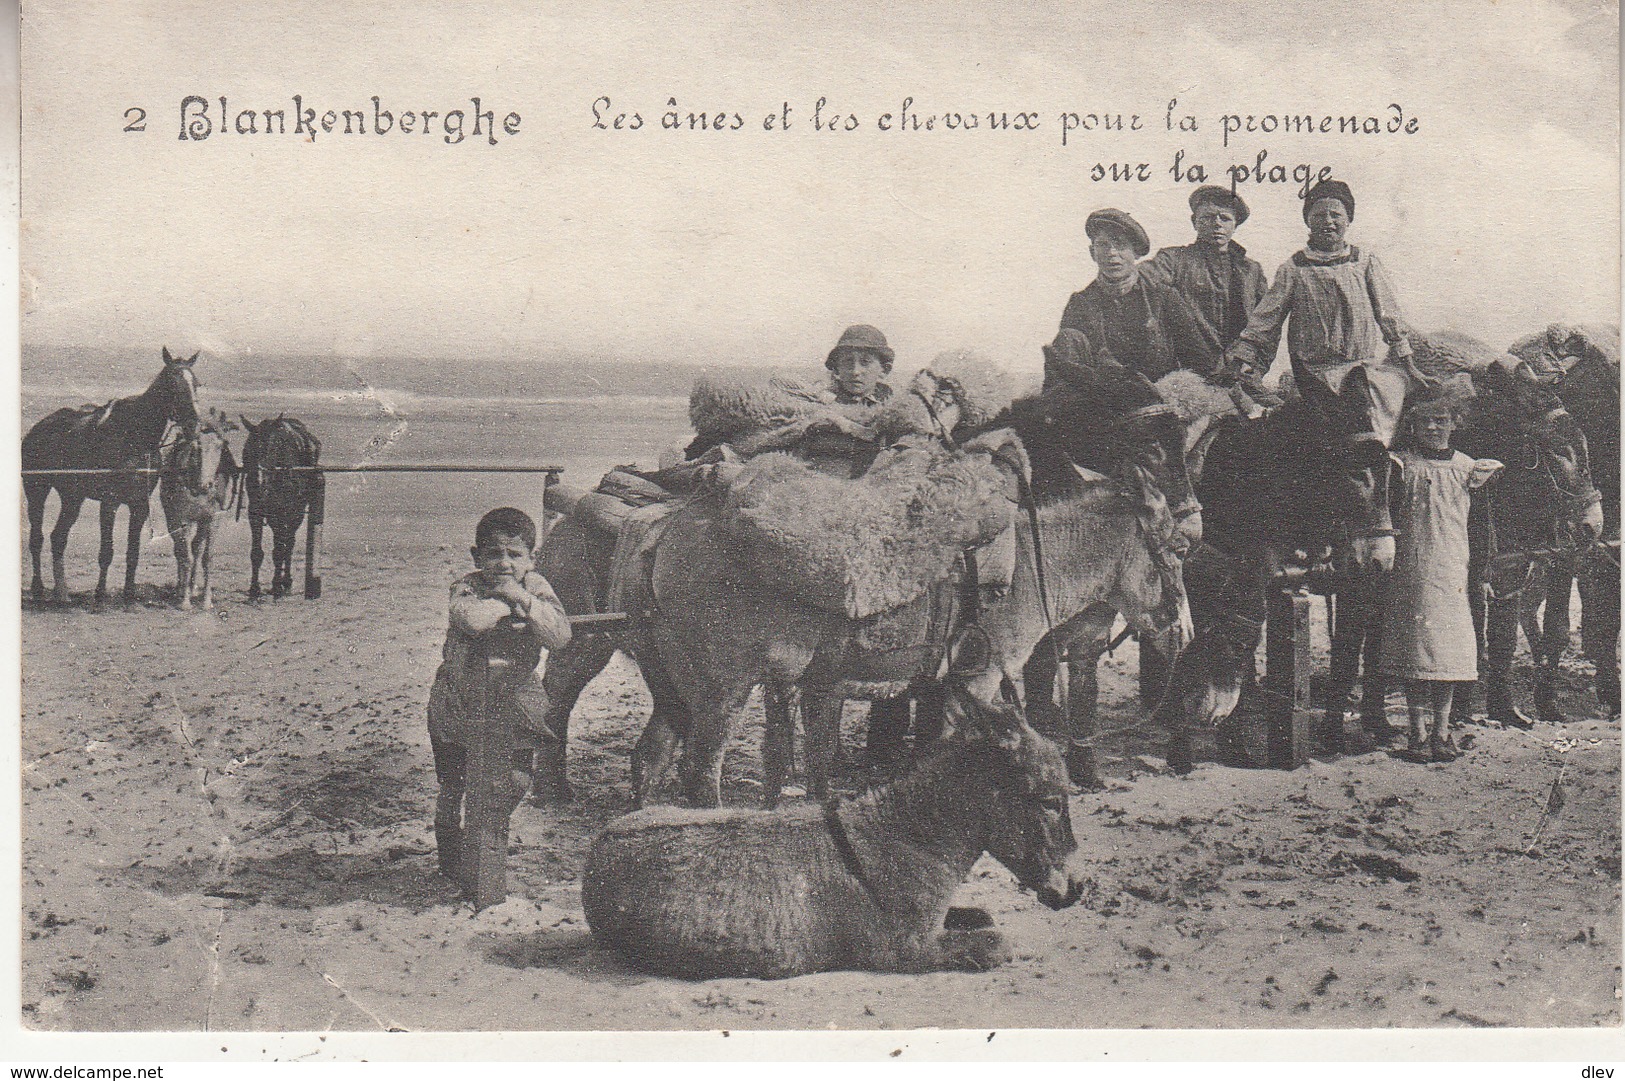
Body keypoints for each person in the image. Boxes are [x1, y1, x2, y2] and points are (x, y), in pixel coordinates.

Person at [1222, 178, 1432, 444]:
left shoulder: (1364, 262)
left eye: (1336, 215)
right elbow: (1266, 319)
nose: (1328, 221)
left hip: (1358, 371)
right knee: (1314, 441)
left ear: (1348, 220)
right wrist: (1244, 358)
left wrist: (1409, 365)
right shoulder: (1294, 268)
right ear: (1308, 220)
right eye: (1319, 215)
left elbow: (1389, 315)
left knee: (1367, 439)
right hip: (1312, 373)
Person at [428, 507, 572, 879]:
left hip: (514, 698)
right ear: (477, 557)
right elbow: (472, 620)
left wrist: (524, 600)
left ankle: (483, 827)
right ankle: (450, 848)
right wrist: (505, 600)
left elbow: (559, 635)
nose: (504, 563)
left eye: (515, 554)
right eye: (494, 554)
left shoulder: (536, 587)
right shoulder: (467, 586)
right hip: (460, 698)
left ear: (531, 559)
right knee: (453, 781)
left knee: (518, 777)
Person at [1380, 389, 1502, 762]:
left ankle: (1442, 732)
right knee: (1418, 648)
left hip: (1453, 570)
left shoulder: (1469, 470)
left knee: (1448, 651)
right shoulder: (1399, 466)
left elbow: (1481, 527)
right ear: (1412, 426)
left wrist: (1481, 573)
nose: (1433, 427)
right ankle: (1417, 735)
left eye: (1441, 421)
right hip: (1411, 569)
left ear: (1454, 424)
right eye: (1424, 421)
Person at [1055, 208, 1222, 387]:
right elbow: (1065, 369)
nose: (1112, 253)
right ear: (1092, 253)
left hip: (1159, 400)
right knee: (1068, 337)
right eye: (1103, 245)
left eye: (1120, 244)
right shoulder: (1081, 303)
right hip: (1103, 402)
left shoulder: (1163, 297)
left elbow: (1199, 360)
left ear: (1135, 253)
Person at [1138, 185, 1268, 356]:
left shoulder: (1252, 270)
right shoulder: (1173, 259)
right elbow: (1137, 279)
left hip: (1238, 370)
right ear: (1194, 222)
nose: (1217, 223)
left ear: (1235, 225)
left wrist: (1254, 366)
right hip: (1186, 368)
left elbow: (1267, 326)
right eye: (1208, 217)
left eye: (1225, 218)